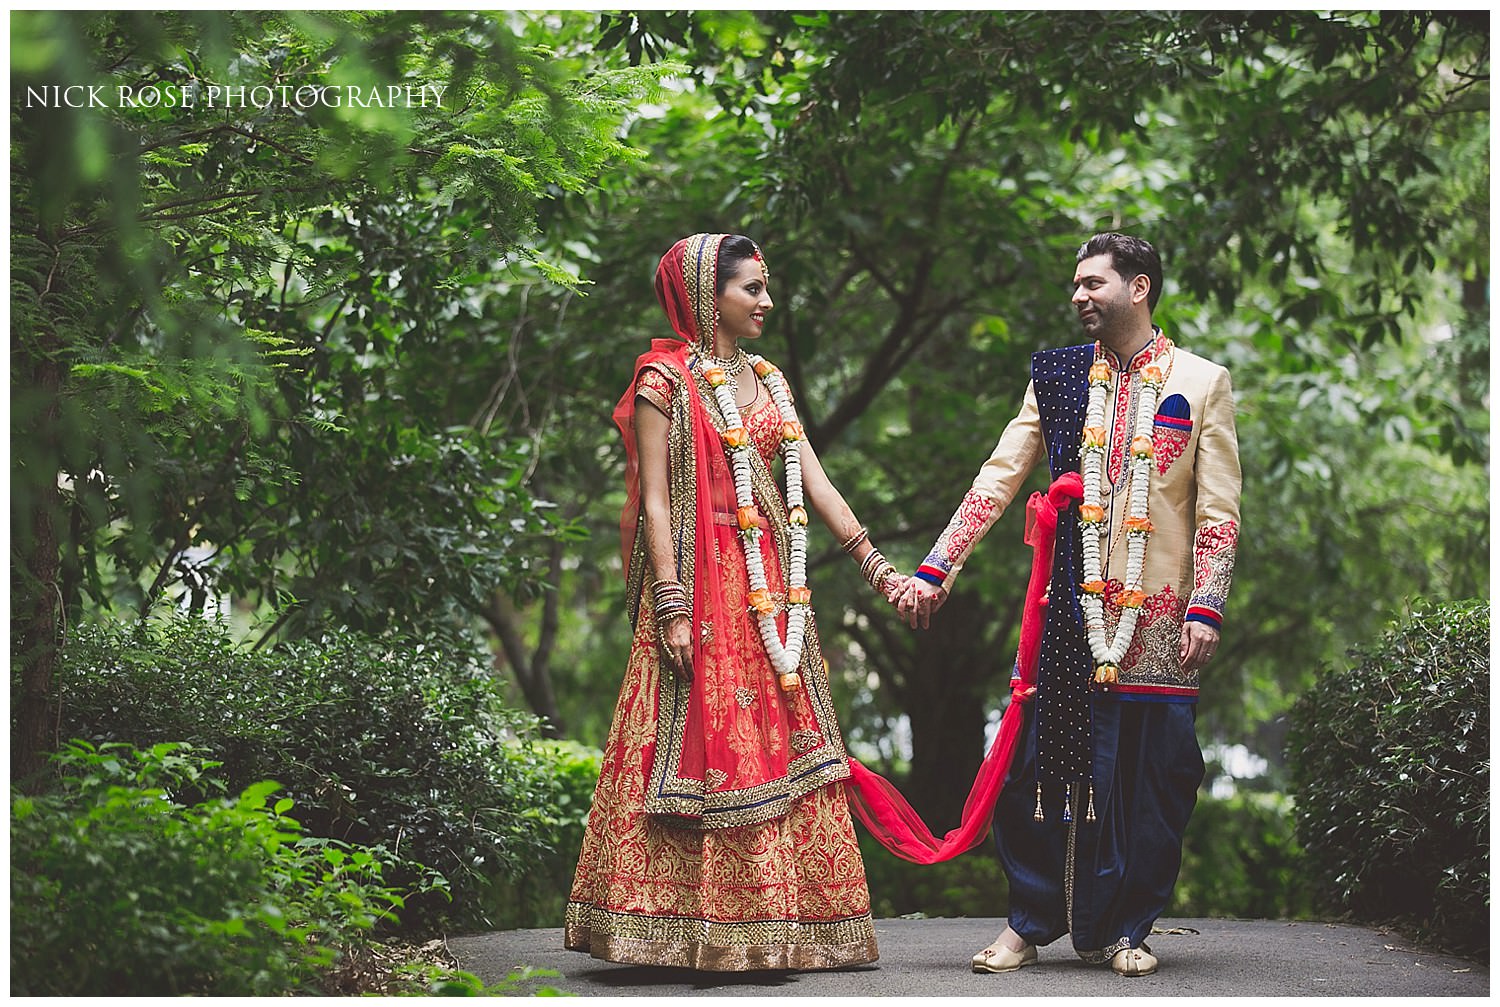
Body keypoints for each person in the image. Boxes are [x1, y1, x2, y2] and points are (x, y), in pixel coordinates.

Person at [894, 232, 1241, 977]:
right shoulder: (1056, 377)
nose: (1078, 296)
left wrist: (1208, 604)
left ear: (1139, 287)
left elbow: (1218, 510)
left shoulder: (1203, 381)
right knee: (1037, 774)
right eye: (1075, 285)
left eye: (1093, 283)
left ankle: (1128, 930)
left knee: (1155, 781)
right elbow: (999, 474)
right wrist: (937, 567)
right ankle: (1027, 922)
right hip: (1069, 616)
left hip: (1161, 619)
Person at [565, 233, 903, 971]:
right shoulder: (664, 381)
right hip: (700, 587)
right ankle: (685, 931)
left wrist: (877, 566)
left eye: (765, 286)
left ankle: (787, 928)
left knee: (788, 741)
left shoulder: (771, 381)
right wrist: (672, 603)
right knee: (703, 739)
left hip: (770, 590)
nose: (766, 301)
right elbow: (656, 501)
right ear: (705, 295)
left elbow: (814, 480)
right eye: (752, 288)